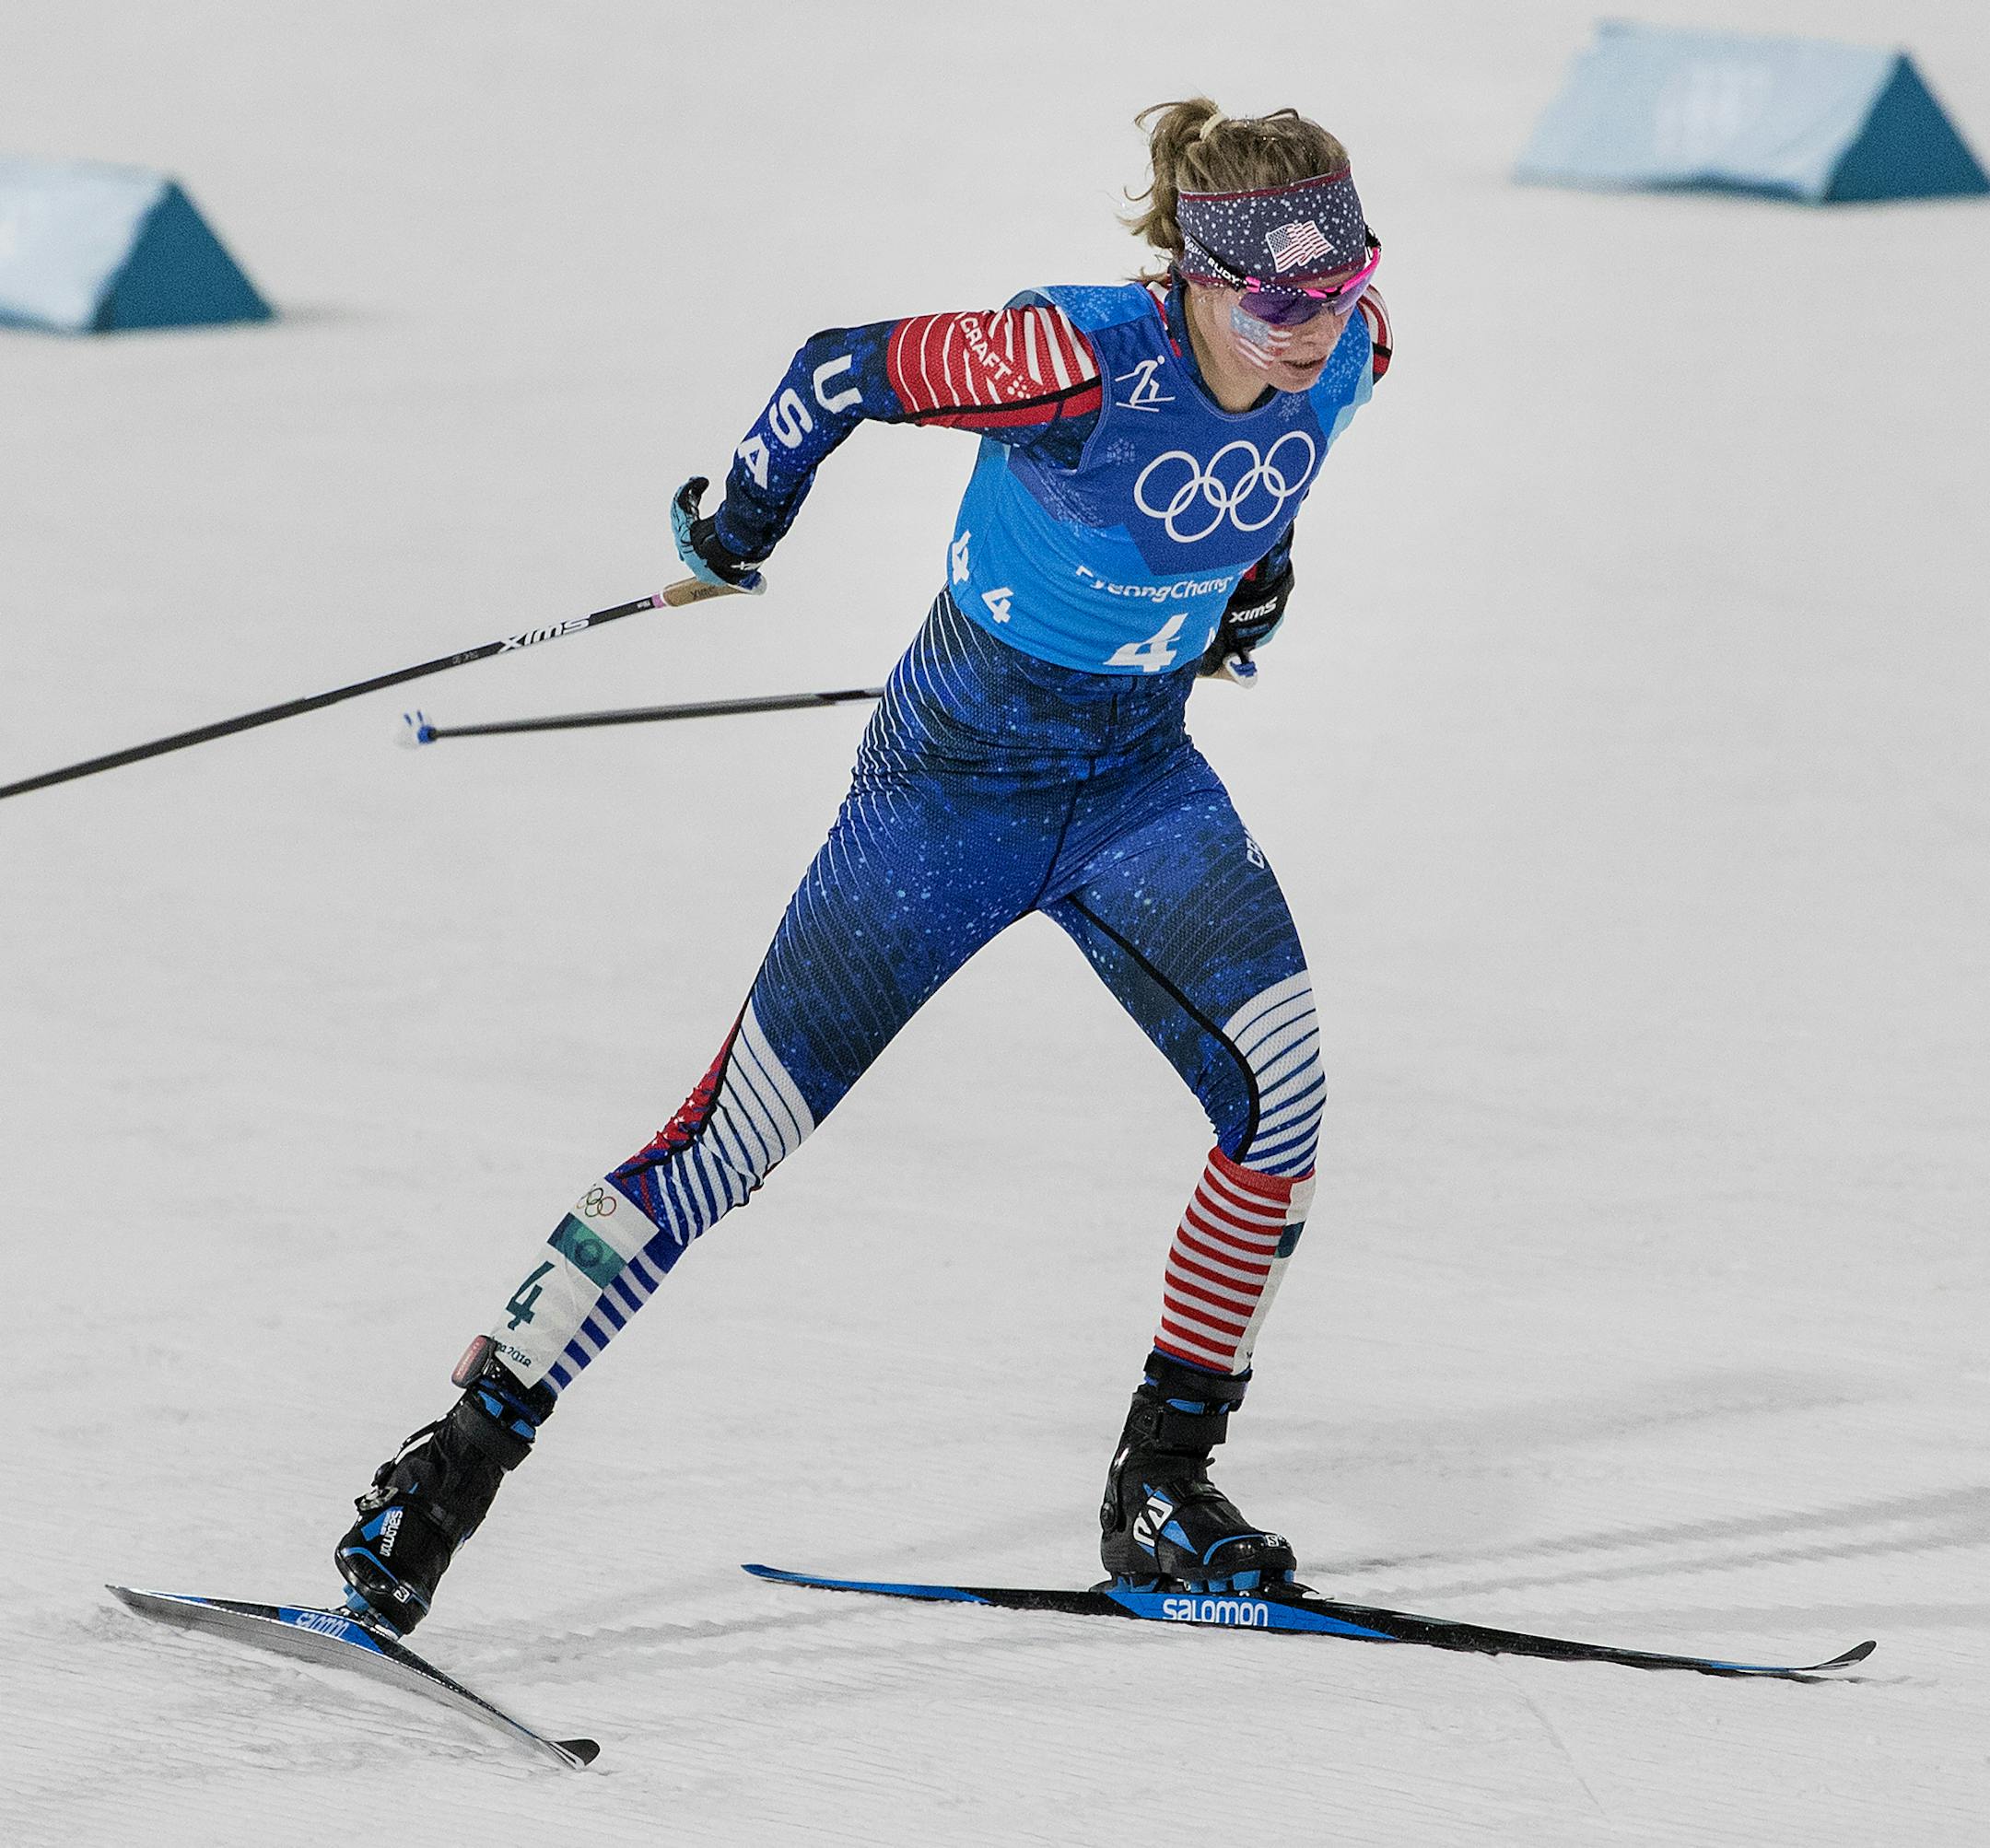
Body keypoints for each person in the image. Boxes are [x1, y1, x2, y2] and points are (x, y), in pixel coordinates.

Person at [335, 97, 1393, 1634]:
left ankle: (1164, 1485)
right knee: (731, 1140)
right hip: (947, 798)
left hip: (1135, 786)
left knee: (1282, 1104)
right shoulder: (1072, 357)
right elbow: (838, 369)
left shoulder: (1356, 353)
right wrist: (735, 530)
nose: (1315, 328)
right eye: (1280, 302)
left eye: (1340, 289)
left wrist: (1249, 593)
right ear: (1196, 272)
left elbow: (1275, 476)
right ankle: (446, 1471)